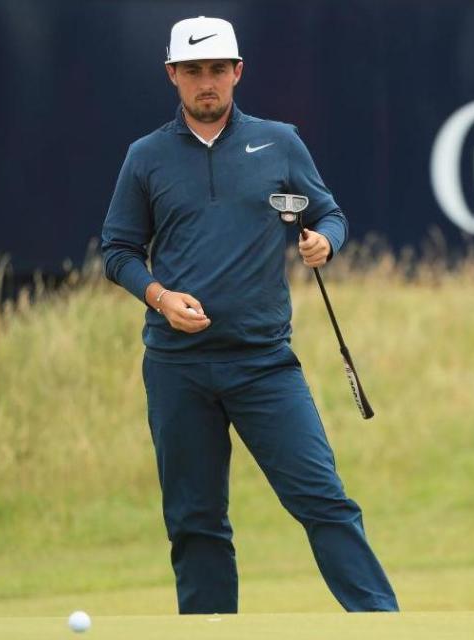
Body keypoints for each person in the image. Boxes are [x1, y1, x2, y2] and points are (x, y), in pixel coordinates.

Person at [100, 16, 398, 615]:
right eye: (192, 71)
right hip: (178, 367)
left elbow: (330, 213)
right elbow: (118, 251)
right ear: (172, 76)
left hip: (264, 364)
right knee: (195, 521)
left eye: (216, 70)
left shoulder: (280, 142)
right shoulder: (146, 157)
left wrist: (326, 243)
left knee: (323, 499)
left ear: (237, 72)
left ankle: (379, 623)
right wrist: (160, 297)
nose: (205, 83)